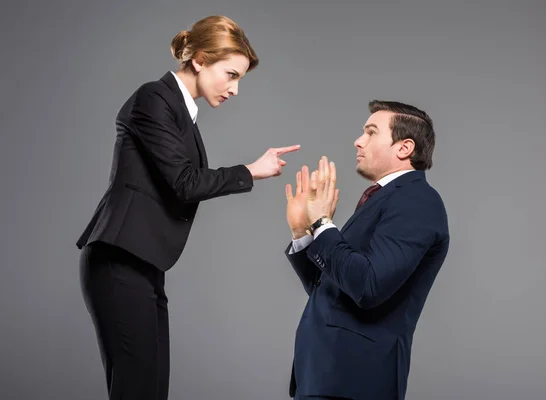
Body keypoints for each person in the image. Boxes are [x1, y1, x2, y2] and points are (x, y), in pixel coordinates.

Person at [77, 15, 299, 400]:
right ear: (199, 59)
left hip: (143, 264)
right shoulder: (153, 99)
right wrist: (251, 171)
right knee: (137, 389)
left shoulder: (180, 112)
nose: (235, 89)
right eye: (230, 74)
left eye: (240, 79)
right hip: (119, 260)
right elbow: (184, 183)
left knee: (151, 388)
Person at [283, 100, 450, 400]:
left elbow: (368, 286)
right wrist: (303, 232)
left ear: (404, 148)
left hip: (355, 382)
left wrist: (322, 223)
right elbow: (333, 289)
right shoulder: (382, 199)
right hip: (323, 377)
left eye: (371, 132)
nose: (358, 141)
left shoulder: (416, 200)